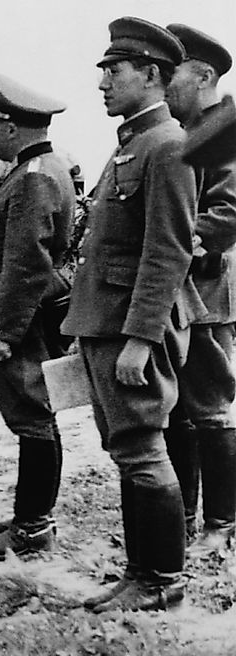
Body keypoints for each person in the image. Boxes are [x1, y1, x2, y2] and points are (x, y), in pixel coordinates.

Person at [63, 17, 206, 613]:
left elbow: (168, 250)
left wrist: (140, 340)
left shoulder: (167, 145)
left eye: (112, 71)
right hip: (108, 323)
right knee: (129, 450)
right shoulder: (133, 142)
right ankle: (140, 572)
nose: (101, 82)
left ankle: (163, 579)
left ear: (151, 75)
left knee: (144, 450)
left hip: (133, 329)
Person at [0, 75, 77, 560]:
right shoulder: (36, 170)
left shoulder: (33, 177)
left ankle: (32, 528)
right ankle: (29, 517)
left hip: (20, 320)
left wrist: (3, 332)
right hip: (24, 314)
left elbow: (27, 262)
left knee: (32, 419)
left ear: (13, 128)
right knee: (32, 419)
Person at [163, 23, 236, 553]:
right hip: (178, 291)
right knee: (176, 409)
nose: (163, 82)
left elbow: (227, 212)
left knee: (209, 408)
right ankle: (185, 515)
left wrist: (178, 246)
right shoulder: (185, 133)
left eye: (173, 72)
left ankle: (222, 523)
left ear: (204, 75)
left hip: (206, 290)